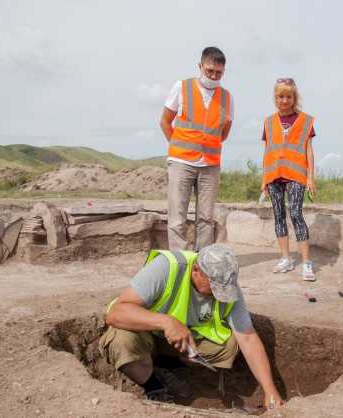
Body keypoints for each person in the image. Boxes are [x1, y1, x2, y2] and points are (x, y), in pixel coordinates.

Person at [99, 244, 284, 408]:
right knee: (122, 341)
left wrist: (270, 391)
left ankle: (164, 364)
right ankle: (152, 384)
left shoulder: (227, 285)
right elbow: (116, 313)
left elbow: (248, 337)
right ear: (196, 270)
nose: (218, 295)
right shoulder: (167, 267)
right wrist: (167, 322)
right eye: (214, 288)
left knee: (228, 346)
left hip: (178, 341)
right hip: (144, 332)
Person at [160, 47, 234, 251]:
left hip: (210, 166)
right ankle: (180, 262)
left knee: (206, 218)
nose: (213, 75)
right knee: (177, 217)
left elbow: (224, 133)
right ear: (200, 66)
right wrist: (177, 147)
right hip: (181, 163)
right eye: (209, 70)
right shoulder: (181, 87)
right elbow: (165, 121)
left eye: (219, 72)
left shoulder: (227, 98)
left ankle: (201, 263)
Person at [261, 78, 317, 281]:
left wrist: (310, 177)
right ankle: (286, 258)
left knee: (295, 213)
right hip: (274, 174)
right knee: (278, 215)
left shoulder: (305, 120)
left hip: (296, 174)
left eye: (288, 96)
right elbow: (267, 150)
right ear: (275, 98)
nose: (284, 100)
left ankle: (306, 263)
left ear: (294, 98)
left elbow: (308, 150)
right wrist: (264, 178)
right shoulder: (268, 121)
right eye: (280, 96)